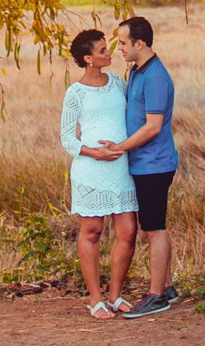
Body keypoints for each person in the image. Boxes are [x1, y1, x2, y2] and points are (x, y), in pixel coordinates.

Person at [100, 15, 180, 319]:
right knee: (154, 227)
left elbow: (153, 127)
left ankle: (157, 295)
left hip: (155, 166)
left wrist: (118, 148)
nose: (118, 48)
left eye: (122, 43)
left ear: (139, 43)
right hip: (143, 164)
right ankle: (167, 288)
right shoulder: (137, 71)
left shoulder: (156, 77)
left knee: (154, 229)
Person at [60, 29, 138, 320]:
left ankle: (116, 295)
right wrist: (97, 153)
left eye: (109, 48)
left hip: (121, 168)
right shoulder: (75, 92)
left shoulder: (118, 83)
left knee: (128, 232)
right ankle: (96, 300)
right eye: (103, 50)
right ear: (88, 59)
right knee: (91, 232)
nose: (110, 53)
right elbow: (67, 138)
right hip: (91, 170)